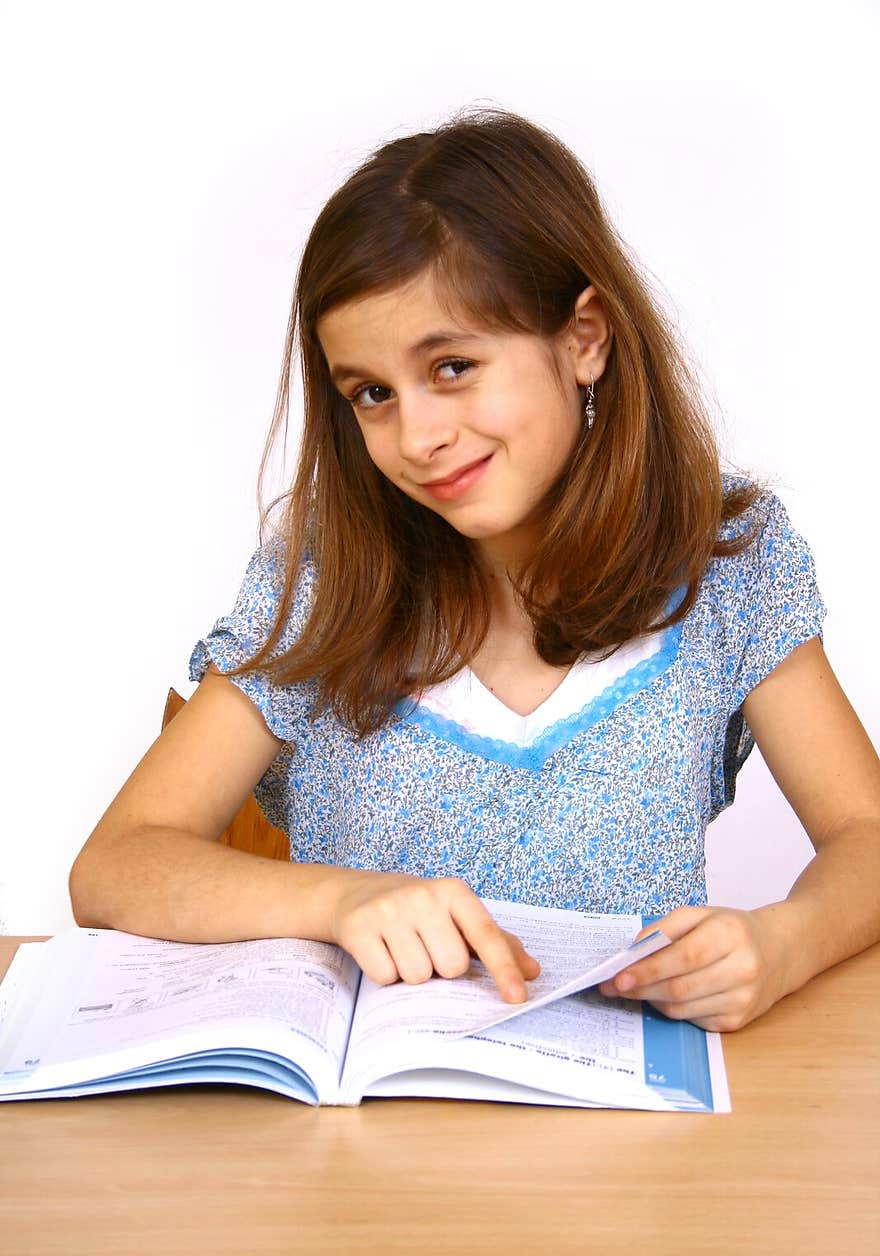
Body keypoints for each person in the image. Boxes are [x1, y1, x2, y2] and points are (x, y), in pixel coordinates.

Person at [69, 107, 880, 1033]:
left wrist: (787, 942)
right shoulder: (326, 583)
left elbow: (868, 836)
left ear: (585, 339)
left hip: (630, 1149)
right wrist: (338, 901)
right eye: (371, 393)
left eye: (451, 366)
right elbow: (115, 866)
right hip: (366, 1140)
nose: (417, 437)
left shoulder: (725, 559)